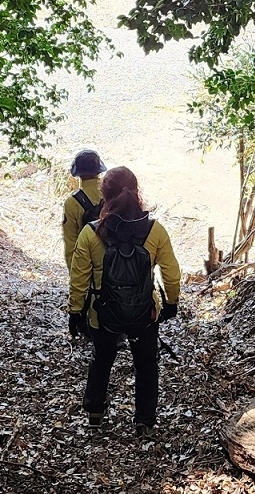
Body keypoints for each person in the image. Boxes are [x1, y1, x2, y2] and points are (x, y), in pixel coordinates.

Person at [68, 166, 182, 437]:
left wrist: (75, 312)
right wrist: (171, 303)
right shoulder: (155, 231)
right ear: (137, 192)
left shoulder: (90, 233)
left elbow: (79, 279)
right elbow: (171, 274)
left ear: (103, 196)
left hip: (102, 313)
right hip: (144, 313)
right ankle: (144, 422)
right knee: (146, 365)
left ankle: (95, 413)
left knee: (102, 358)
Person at [62, 149, 106, 270]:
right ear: (99, 170)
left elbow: (71, 243)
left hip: (88, 268)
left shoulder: (72, 203)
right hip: (116, 268)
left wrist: (74, 274)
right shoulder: (112, 193)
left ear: (78, 173)